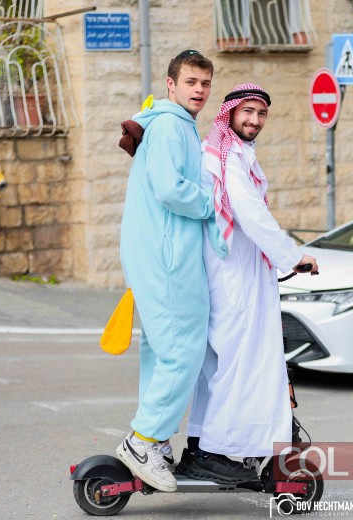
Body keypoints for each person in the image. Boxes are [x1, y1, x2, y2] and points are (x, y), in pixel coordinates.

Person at [182, 84, 319, 483]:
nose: (255, 120)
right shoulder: (226, 156)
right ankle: (211, 452)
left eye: (261, 114)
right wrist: (293, 256)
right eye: (248, 111)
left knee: (220, 366)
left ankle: (200, 446)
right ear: (230, 113)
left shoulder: (233, 152)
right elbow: (251, 213)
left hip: (237, 274)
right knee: (238, 365)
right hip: (235, 278)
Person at [114, 50, 226, 493]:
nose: (199, 90)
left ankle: (154, 438)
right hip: (167, 257)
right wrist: (214, 203)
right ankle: (143, 440)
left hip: (154, 252)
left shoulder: (171, 123)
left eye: (205, 83)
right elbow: (169, 189)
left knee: (162, 352)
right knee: (183, 350)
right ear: (171, 84)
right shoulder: (171, 125)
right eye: (191, 82)